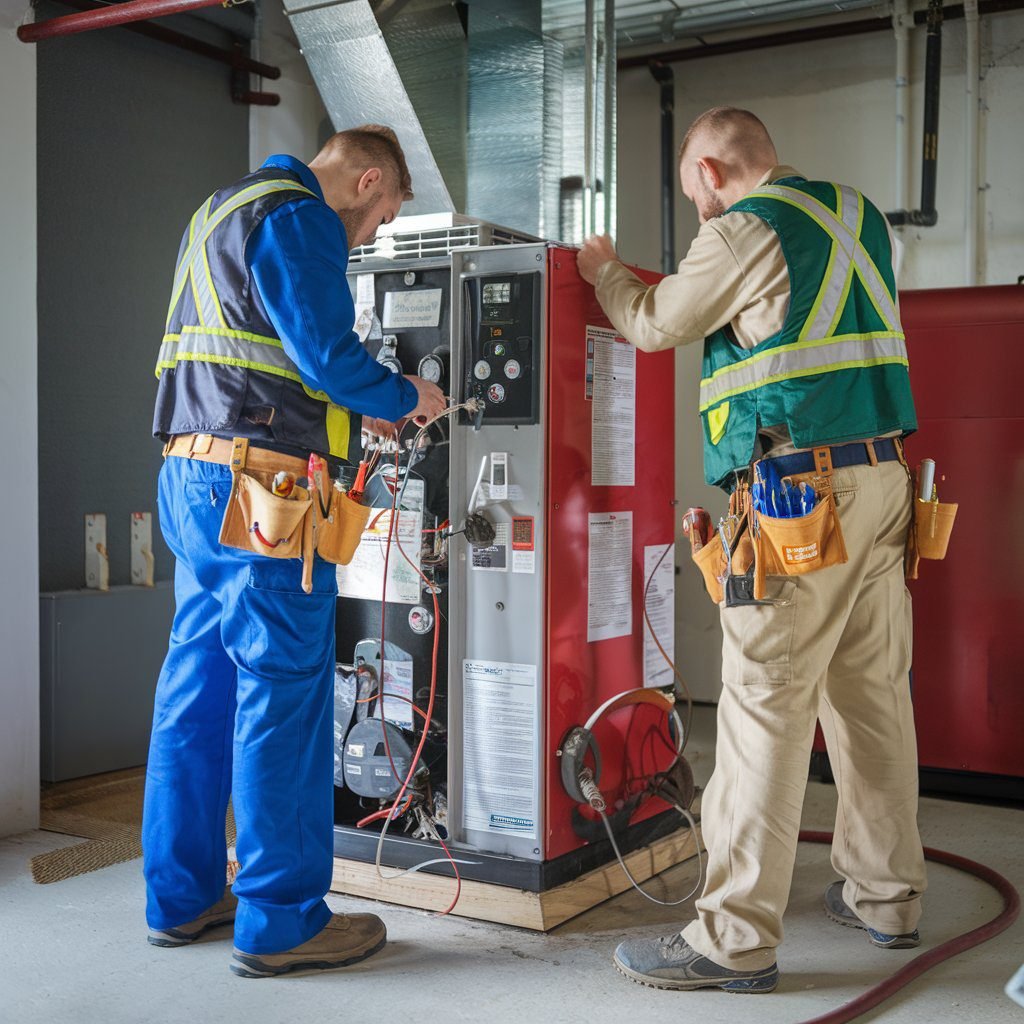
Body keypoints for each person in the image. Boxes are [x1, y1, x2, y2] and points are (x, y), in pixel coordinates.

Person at [577, 107, 925, 994]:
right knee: (872, 700)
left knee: (763, 708)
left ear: (706, 170)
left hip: (801, 499)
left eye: (696, 188)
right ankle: (887, 897)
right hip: (885, 481)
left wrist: (600, 271)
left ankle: (731, 939)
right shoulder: (857, 214)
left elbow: (655, 323)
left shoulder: (743, 227)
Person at [142, 125, 445, 979]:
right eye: (380, 219)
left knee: (196, 687)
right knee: (283, 690)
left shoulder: (218, 212)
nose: (372, 236)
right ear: (368, 180)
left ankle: (183, 896)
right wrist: (403, 395)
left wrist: (357, 406)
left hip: (191, 480)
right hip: (264, 494)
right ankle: (281, 920)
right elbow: (325, 355)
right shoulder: (301, 216)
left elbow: (265, 356)